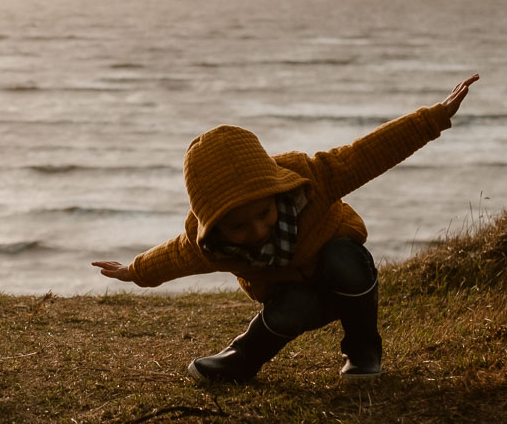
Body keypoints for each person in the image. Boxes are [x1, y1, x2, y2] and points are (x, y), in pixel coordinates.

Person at [93, 75, 479, 384]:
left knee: (344, 257)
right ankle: (240, 361)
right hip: (294, 300)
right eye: (238, 225)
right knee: (293, 304)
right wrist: (132, 271)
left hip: (348, 281)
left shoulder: (311, 180)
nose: (257, 230)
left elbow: (369, 153)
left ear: (274, 192)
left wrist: (434, 118)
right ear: (215, 225)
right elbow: (175, 255)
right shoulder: (212, 245)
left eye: (263, 213)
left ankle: (363, 352)